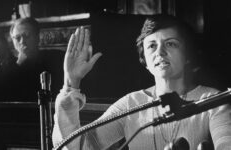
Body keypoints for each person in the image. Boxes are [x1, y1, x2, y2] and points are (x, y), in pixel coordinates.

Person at [52, 15, 231, 150]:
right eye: (152, 46)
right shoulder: (131, 104)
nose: (159, 53)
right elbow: (80, 146)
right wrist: (71, 82)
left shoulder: (213, 101)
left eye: (171, 44)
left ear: (188, 55)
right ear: (144, 58)